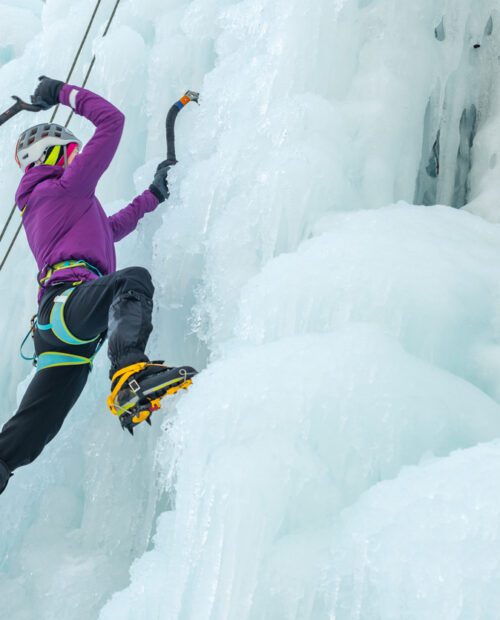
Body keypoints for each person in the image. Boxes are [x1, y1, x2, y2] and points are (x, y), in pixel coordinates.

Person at [0, 77, 196, 495]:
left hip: (61, 332)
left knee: (25, 437)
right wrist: (60, 93)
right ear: (53, 153)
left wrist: (154, 195)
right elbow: (112, 121)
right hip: (69, 306)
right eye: (70, 152)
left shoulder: (57, 202)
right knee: (132, 280)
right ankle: (129, 371)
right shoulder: (61, 189)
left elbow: (111, 229)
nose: (76, 159)